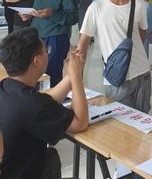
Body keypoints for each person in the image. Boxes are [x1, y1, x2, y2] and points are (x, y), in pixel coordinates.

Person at [0, 27, 88, 179]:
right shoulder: (33, 106)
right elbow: (80, 123)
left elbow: (44, 101)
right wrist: (76, 76)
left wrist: (69, 77)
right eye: (46, 50)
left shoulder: (6, 86)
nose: (48, 53)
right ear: (37, 60)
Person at [77, 0, 152, 112]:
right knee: (120, 121)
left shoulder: (139, 5)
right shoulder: (96, 8)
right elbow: (82, 45)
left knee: (143, 117)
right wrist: (77, 78)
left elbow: (141, 34)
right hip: (116, 78)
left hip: (142, 73)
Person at [21, 0, 78, 87]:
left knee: (52, 74)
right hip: (37, 35)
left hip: (55, 37)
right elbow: (38, 7)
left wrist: (53, 14)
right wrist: (30, 14)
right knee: (34, 73)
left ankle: (53, 99)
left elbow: (73, 17)